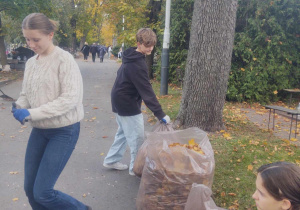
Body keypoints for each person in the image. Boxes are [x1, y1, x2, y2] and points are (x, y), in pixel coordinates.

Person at [11, 13, 91, 210]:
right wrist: (20, 106)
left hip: (64, 131)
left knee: (43, 193)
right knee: (30, 190)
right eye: (27, 39)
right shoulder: (31, 63)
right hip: (40, 130)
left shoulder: (65, 60)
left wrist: (31, 113)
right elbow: (26, 94)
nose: (31, 44)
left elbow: (70, 100)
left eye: (35, 39)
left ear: (50, 35)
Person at [103, 28, 170, 176]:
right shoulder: (137, 64)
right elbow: (147, 91)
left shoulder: (130, 56)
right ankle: (137, 169)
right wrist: (160, 114)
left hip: (119, 99)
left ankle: (111, 159)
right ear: (138, 44)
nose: (150, 48)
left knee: (123, 133)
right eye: (147, 45)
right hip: (127, 102)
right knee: (137, 138)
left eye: (152, 45)